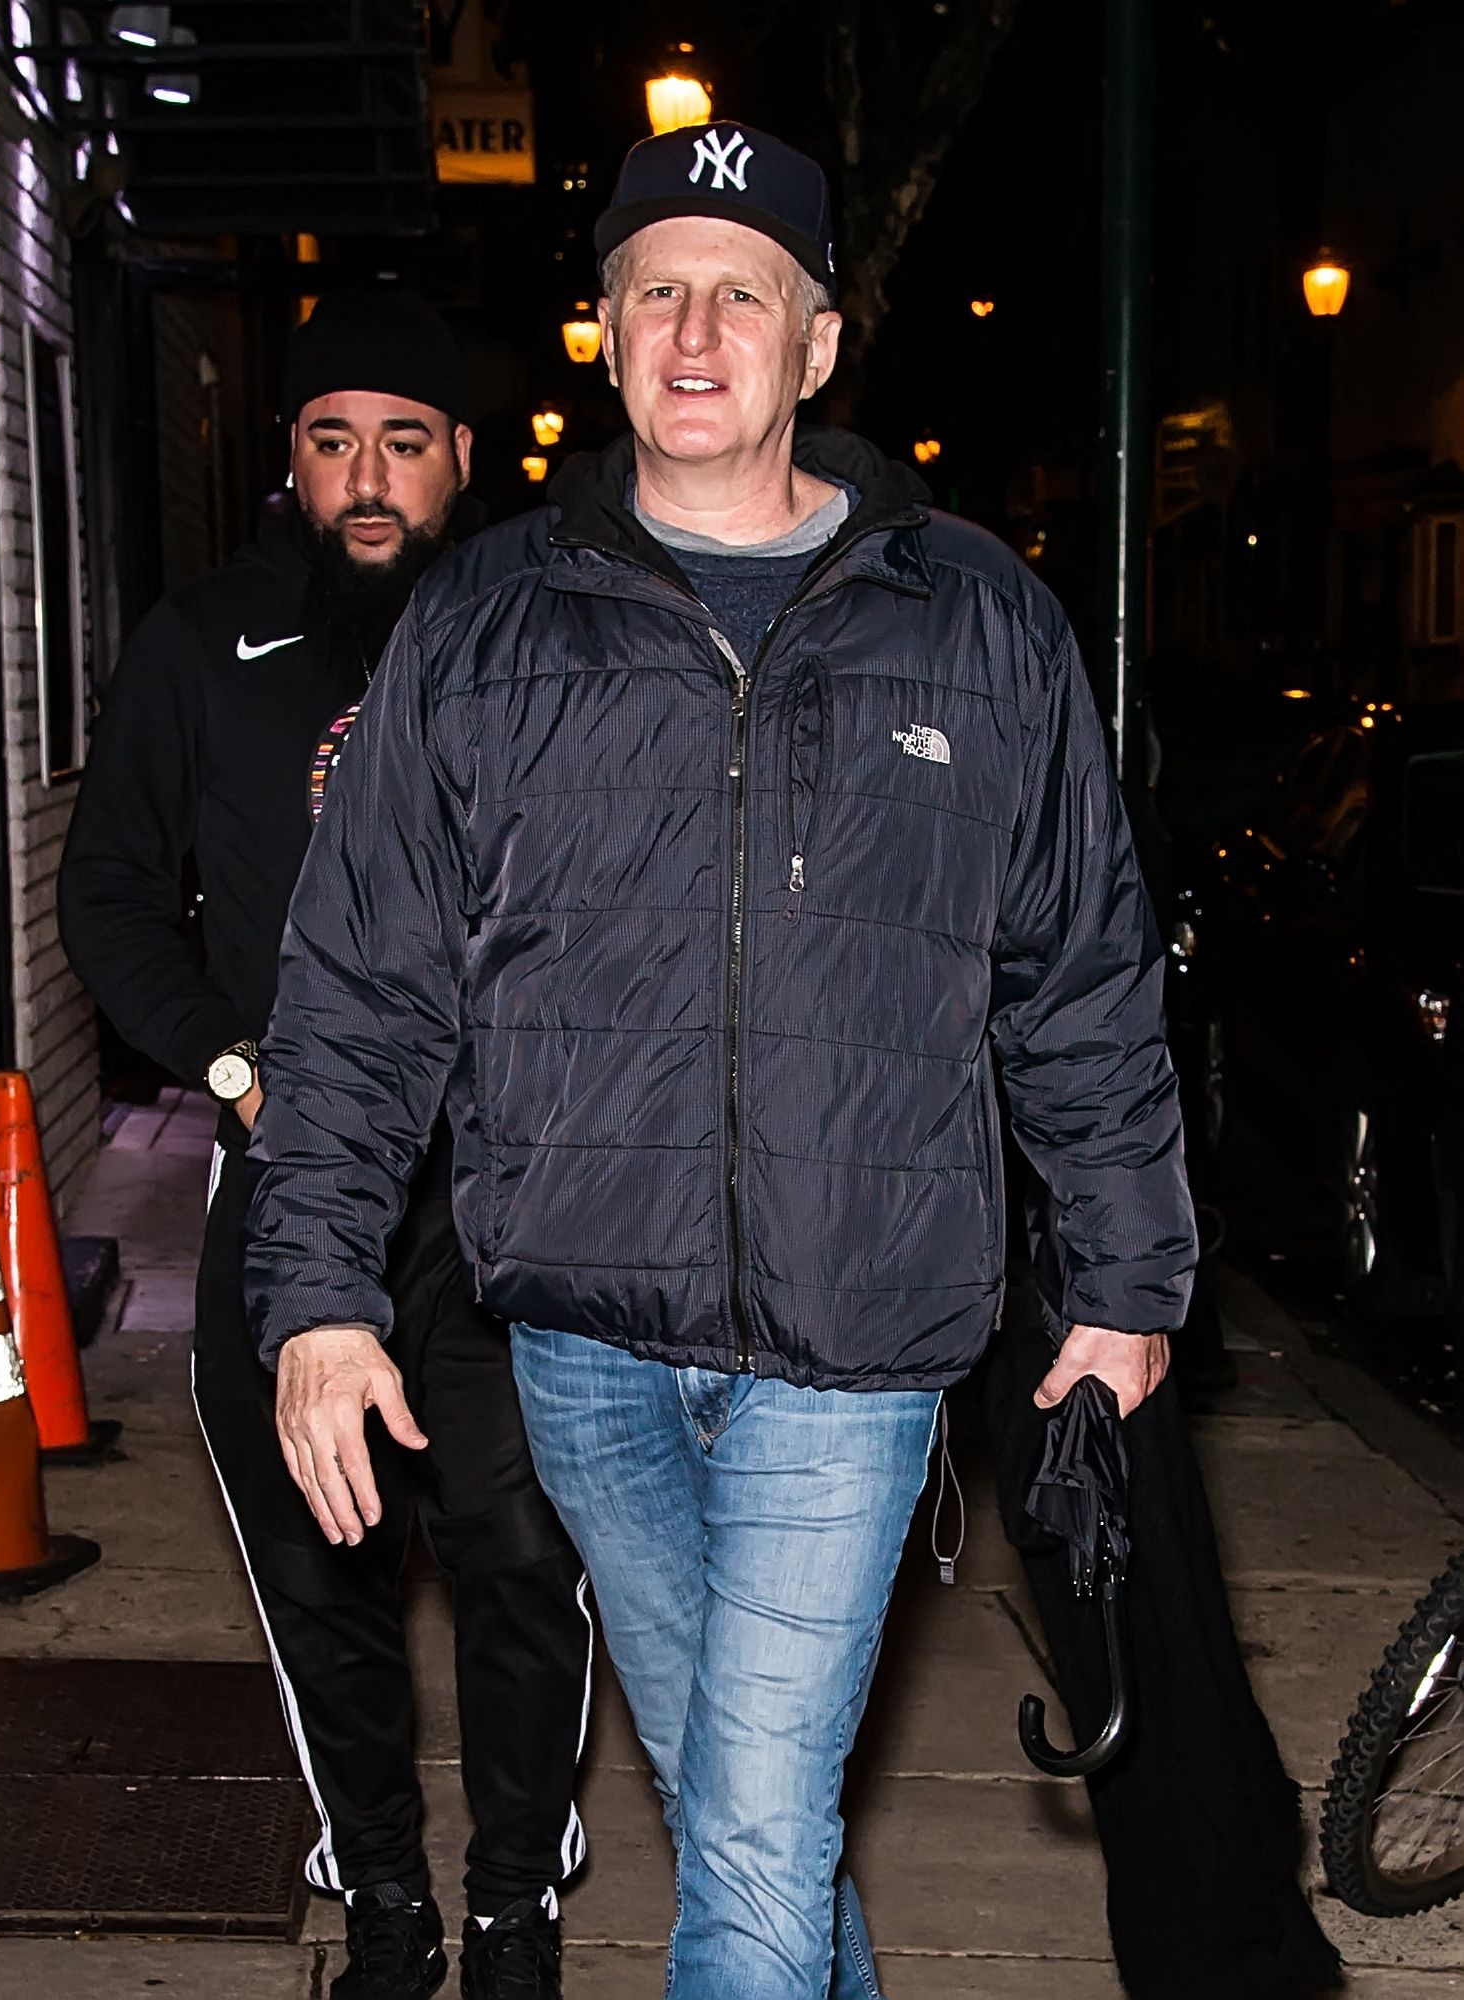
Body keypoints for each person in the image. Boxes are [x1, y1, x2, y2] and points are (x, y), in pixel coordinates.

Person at [243, 132, 1197, 2000]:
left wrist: (1126, 1274)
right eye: (655, 288)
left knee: (749, 1838)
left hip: (861, 1340)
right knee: (740, 1809)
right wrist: (319, 1292)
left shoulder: (978, 618)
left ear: (816, 346)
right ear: (603, 334)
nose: (695, 329)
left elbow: (1078, 968)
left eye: (740, 291)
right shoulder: (488, 621)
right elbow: (361, 983)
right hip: (583, 1338)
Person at [58, 292, 588, 2000]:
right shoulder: (202, 643)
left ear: (464, 460)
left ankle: (516, 1897)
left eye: (407, 441)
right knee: (321, 1565)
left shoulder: (542, 628)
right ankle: (384, 1899)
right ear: (288, 455)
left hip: (507, 1195)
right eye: (333, 437)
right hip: (293, 1187)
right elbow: (113, 902)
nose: (370, 476)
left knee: (523, 1555)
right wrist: (233, 1066)